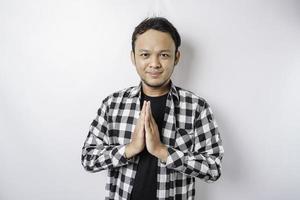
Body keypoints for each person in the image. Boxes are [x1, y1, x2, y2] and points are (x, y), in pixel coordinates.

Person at [81, 17, 224, 200]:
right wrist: (129, 149)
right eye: (145, 54)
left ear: (176, 57)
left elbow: (214, 168)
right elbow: (88, 158)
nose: (154, 63)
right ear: (133, 57)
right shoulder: (113, 104)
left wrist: (162, 151)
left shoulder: (197, 107)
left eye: (164, 55)